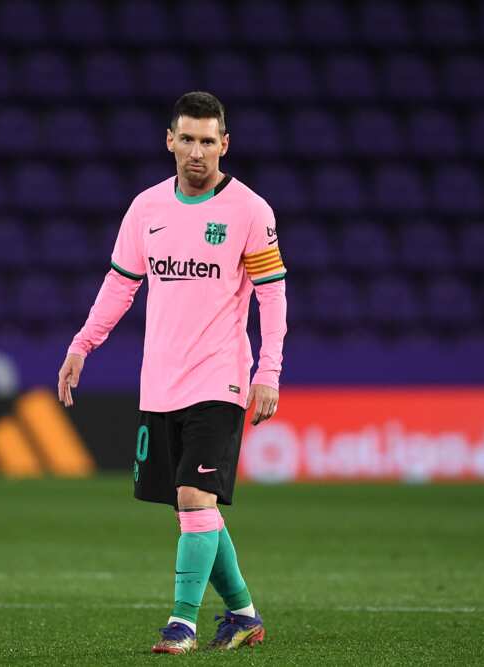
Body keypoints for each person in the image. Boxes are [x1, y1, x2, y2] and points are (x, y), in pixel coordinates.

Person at [57, 91, 287, 654]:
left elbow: (272, 296)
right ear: (170, 141)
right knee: (195, 504)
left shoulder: (250, 211)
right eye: (187, 138)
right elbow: (121, 284)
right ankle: (243, 614)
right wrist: (83, 344)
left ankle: (181, 622)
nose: (197, 152)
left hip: (221, 378)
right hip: (160, 382)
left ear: (224, 145)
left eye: (208, 141)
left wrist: (269, 370)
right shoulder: (146, 209)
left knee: (193, 497)